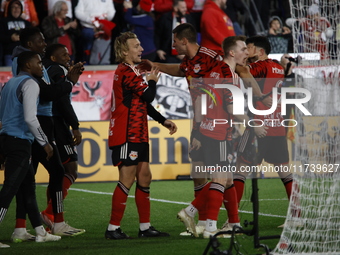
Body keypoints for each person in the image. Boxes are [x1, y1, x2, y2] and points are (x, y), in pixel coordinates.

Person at [177, 35, 257, 238]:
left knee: (227, 180)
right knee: (221, 179)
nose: (246, 52)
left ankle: (232, 224)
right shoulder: (227, 74)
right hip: (219, 132)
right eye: (242, 49)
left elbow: (199, 102)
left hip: (207, 130)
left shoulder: (212, 70)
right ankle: (208, 225)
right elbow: (231, 107)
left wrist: (197, 132)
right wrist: (251, 122)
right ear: (232, 52)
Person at [11, 27, 85, 239]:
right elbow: (48, 93)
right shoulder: (28, 67)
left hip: (39, 122)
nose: (44, 43)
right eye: (40, 41)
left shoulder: (25, 65)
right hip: (40, 122)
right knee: (58, 171)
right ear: (30, 45)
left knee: (28, 177)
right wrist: (69, 82)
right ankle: (56, 220)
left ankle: (20, 227)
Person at [105, 31, 177, 239]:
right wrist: (152, 80)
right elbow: (148, 94)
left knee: (144, 177)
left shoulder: (131, 71)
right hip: (127, 133)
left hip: (138, 133)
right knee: (126, 179)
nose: (141, 49)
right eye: (136, 46)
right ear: (125, 50)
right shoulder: (125, 72)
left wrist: (162, 120)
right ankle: (112, 228)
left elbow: (143, 103)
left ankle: (145, 228)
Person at [0, 51, 62, 248]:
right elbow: (30, 118)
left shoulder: (10, 83)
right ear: (27, 65)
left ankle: (37, 231)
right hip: (20, 142)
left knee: (28, 187)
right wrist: (45, 142)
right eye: (37, 62)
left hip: (8, 139)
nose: (41, 65)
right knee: (9, 189)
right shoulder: (31, 84)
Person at [232, 36, 295, 227]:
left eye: (248, 48)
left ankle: (232, 221)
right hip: (277, 126)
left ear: (259, 51)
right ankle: (297, 217)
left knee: (239, 172)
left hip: (258, 126)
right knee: (285, 172)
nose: (245, 51)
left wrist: (230, 57)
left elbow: (239, 69)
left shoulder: (259, 66)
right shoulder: (277, 67)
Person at [39, 43, 83, 228]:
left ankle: (54, 220)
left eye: (68, 53)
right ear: (54, 58)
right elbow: (62, 99)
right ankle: (50, 213)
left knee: (56, 173)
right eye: (63, 54)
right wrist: (74, 125)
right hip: (58, 123)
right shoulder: (57, 69)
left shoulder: (47, 68)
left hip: (47, 122)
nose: (68, 56)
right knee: (70, 170)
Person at [0, 0, 31, 66]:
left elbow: (31, 38)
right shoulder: (3, 22)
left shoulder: (27, 23)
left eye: (18, 7)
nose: (16, 9)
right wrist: (10, 38)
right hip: (9, 54)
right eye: (14, 7)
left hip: (25, 55)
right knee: (11, 75)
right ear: (9, 9)